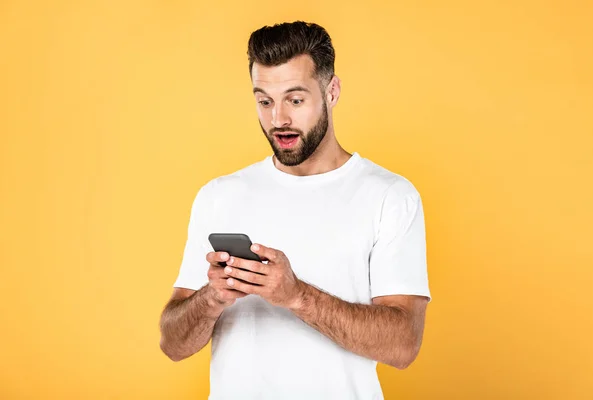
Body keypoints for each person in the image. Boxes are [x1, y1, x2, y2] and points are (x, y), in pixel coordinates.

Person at [159, 20, 431, 400]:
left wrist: (296, 295)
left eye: (295, 99)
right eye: (265, 101)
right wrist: (212, 298)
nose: (278, 120)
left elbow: (404, 345)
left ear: (331, 91)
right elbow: (173, 345)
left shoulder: (389, 196)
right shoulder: (219, 195)